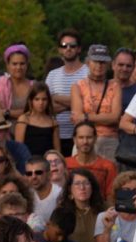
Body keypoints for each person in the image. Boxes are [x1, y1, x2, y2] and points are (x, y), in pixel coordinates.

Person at [70, 44, 121, 161]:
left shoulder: (115, 86)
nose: (99, 65)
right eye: (96, 61)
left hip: (109, 142)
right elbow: (77, 118)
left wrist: (86, 117)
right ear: (88, 62)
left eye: (103, 62)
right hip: (84, 140)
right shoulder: (78, 86)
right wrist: (103, 118)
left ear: (108, 64)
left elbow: (114, 117)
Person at [45, 29, 88, 157]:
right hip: (55, 135)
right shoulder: (52, 75)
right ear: (59, 50)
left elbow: (90, 102)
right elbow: (47, 105)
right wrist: (76, 103)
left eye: (72, 46)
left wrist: (56, 97)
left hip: (82, 137)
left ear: (79, 49)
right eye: (64, 46)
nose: (68, 49)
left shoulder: (89, 73)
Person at [65, 121, 117, 201]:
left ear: (95, 138)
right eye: (81, 137)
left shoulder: (108, 166)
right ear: (74, 139)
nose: (85, 142)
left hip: (100, 210)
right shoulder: (66, 164)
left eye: (89, 137)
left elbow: (111, 197)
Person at [0, 44, 33, 123]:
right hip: (4, 133)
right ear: (7, 65)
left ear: (27, 65)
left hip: (31, 131)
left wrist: (7, 112)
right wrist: (24, 112)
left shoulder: (34, 86)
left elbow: (36, 112)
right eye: (14, 64)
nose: (18, 67)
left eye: (22, 63)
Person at [15, 82, 60, 156]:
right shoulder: (24, 119)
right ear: (31, 100)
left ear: (48, 101)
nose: (41, 103)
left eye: (44, 99)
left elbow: (57, 151)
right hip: (29, 162)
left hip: (47, 163)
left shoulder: (53, 122)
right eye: (37, 99)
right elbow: (19, 148)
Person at [25, 156, 62, 222]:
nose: (33, 177)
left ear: (49, 174)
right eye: (29, 173)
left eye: (38, 172)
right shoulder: (25, 195)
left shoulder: (60, 194)